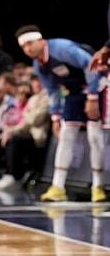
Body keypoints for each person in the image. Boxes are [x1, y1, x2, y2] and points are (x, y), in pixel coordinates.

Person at [15, 25, 106, 203]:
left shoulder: (62, 48)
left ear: (41, 41)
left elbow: (92, 66)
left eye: (30, 44)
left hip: (96, 87)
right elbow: (52, 91)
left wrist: (93, 97)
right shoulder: (38, 64)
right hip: (73, 93)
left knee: (95, 136)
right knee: (65, 136)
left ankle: (98, 187)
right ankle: (57, 187)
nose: (28, 49)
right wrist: (55, 116)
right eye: (24, 47)